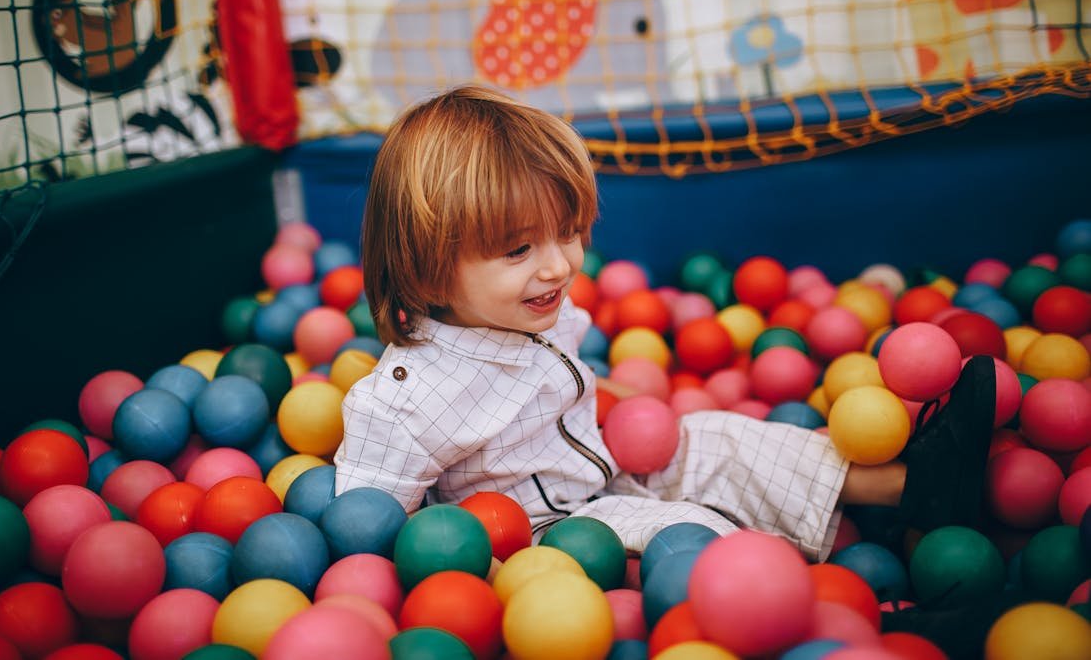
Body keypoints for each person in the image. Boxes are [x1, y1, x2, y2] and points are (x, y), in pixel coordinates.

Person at [332, 84, 996, 567]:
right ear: (425, 270)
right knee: (688, 534)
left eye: (568, 232)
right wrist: (479, 569)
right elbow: (368, 522)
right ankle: (848, 599)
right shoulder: (405, 399)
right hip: (551, 541)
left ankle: (917, 487)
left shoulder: (520, 311)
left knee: (719, 439)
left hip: (605, 466)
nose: (559, 265)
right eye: (517, 250)